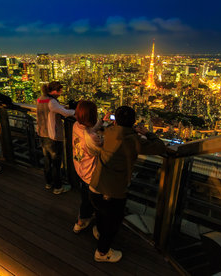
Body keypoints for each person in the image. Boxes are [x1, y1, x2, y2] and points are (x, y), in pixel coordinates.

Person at [89, 106, 166, 263]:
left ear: (115, 121)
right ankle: (102, 253)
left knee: (101, 215)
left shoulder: (108, 131)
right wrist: (147, 133)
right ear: (133, 122)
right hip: (113, 193)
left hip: (94, 186)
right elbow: (160, 146)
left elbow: (101, 129)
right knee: (113, 223)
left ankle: (99, 232)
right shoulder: (134, 141)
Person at [36, 81, 74, 194]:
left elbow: (55, 109)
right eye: (60, 90)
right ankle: (58, 187)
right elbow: (66, 113)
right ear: (54, 91)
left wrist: (62, 107)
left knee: (47, 161)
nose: (61, 93)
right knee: (56, 163)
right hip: (52, 136)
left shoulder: (40, 99)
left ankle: (49, 183)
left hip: (42, 134)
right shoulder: (52, 102)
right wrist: (76, 111)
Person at [72, 100, 103, 233]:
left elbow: (88, 130)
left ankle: (81, 221)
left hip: (80, 168)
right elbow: (102, 149)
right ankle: (99, 228)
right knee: (97, 203)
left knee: (85, 199)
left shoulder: (76, 125)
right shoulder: (91, 137)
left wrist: (100, 123)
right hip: (92, 175)